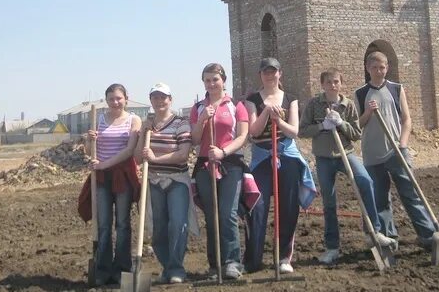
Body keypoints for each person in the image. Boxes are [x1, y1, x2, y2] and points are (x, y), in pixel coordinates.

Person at [299, 68, 397, 265]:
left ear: (341, 84)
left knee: (365, 181)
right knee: (329, 201)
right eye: (328, 82)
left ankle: (373, 232)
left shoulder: (348, 105)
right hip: (324, 158)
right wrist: (322, 127)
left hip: (347, 154)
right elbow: (302, 131)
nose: (332, 85)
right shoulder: (313, 104)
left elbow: (356, 133)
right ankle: (332, 247)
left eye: (336, 82)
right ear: (322, 85)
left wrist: (341, 123)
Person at [355, 51, 437, 249]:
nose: (378, 71)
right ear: (368, 68)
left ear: (387, 68)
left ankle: (428, 236)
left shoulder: (396, 89)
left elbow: (406, 119)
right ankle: (389, 238)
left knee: (411, 194)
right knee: (380, 199)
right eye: (374, 68)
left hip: (396, 151)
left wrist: (403, 143)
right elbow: (357, 125)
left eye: (382, 67)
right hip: (372, 154)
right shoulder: (360, 93)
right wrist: (368, 112)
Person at [245, 58, 316, 274]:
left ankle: (284, 256)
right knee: (257, 205)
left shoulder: (291, 99)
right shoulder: (252, 100)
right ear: (260, 75)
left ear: (279, 74)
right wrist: (266, 112)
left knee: (288, 205)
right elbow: (253, 132)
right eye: (266, 71)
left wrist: (279, 121)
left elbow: (293, 131)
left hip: (287, 155)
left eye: (273, 71)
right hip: (261, 157)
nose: (269, 75)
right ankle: (253, 258)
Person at [190, 63, 250, 280]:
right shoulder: (198, 108)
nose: (211, 83)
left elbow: (243, 136)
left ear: (223, 79)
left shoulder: (236, 105)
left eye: (215, 79)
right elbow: (195, 140)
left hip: (230, 163)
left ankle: (232, 262)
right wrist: (203, 119)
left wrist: (223, 151)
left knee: (228, 213)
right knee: (212, 215)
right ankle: (215, 264)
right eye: (207, 80)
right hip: (205, 165)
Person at [135, 82, 193, 284]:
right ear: (150, 101)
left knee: (178, 223)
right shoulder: (148, 126)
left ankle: (176, 268)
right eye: (155, 97)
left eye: (163, 97)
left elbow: (183, 155)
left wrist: (155, 159)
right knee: (158, 228)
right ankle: (167, 267)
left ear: (170, 99)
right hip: (153, 182)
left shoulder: (181, 123)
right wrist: (143, 132)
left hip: (177, 180)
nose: (160, 101)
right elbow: (136, 158)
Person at [86, 83, 142, 286]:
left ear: (126, 98)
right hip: (101, 178)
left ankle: (122, 270)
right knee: (103, 225)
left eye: (119, 98)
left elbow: (129, 151)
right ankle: (103, 269)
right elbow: (89, 151)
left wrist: (103, 165)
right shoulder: (99, 120)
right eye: (111, 99)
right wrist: (89, 140)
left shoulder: (133, 120)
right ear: (106, 101)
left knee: (123, 224)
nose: (115, 102)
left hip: (123, 176)